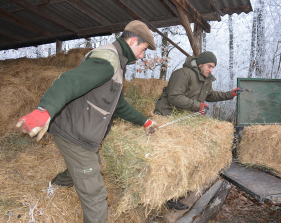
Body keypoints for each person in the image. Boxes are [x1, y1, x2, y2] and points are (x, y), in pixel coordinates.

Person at [16, 20, 159, 223]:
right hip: (74, 133)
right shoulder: (108, 60)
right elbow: (69, 80)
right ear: (134, 40)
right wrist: (44, 110)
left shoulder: (117, 62)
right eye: (143, 50)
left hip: (77, 128)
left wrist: (144, 121)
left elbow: (118, 104)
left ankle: (58, 184)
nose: (143, 56)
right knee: (95, 196)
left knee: (91, 163)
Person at [154, 51, 243, 116]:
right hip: (166, 114)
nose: (211, 70)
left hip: (183, 116)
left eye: (213, 67)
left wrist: (230, 94)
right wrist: (198, 106)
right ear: (201, 64)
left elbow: (210, 95)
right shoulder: (183, 73)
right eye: (209, 66)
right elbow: (174, 97)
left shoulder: (206, 79)